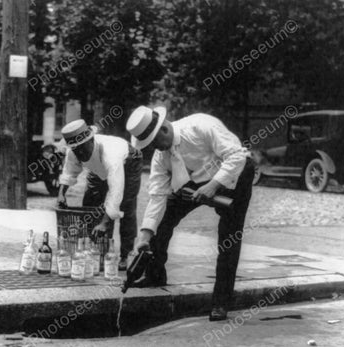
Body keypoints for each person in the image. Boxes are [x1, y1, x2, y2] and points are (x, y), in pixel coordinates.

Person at [126, 106, 254, 321]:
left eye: (155, 143)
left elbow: (237, 155)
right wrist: (144, 236)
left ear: (164, 129)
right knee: (163, 221)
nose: (156, 150)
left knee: (228, 239)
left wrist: (214, 185)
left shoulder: (201, 126)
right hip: (192, 181)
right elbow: (157, 196)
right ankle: (155, 275)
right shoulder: (161, 155)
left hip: (234, 175)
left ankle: (221, 302)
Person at [57, 119, 142, 269]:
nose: (80, 153)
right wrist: (61, 194)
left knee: (125, 207)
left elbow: (116, 191)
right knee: (90, 204)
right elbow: (69, 171)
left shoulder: (111, 154)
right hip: (96, 169)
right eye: (76, 150)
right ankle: (95, 250)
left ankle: (126, 255)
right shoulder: (74, 150)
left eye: (83, 148)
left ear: (91, 140)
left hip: (128, 162)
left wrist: (104, 223)